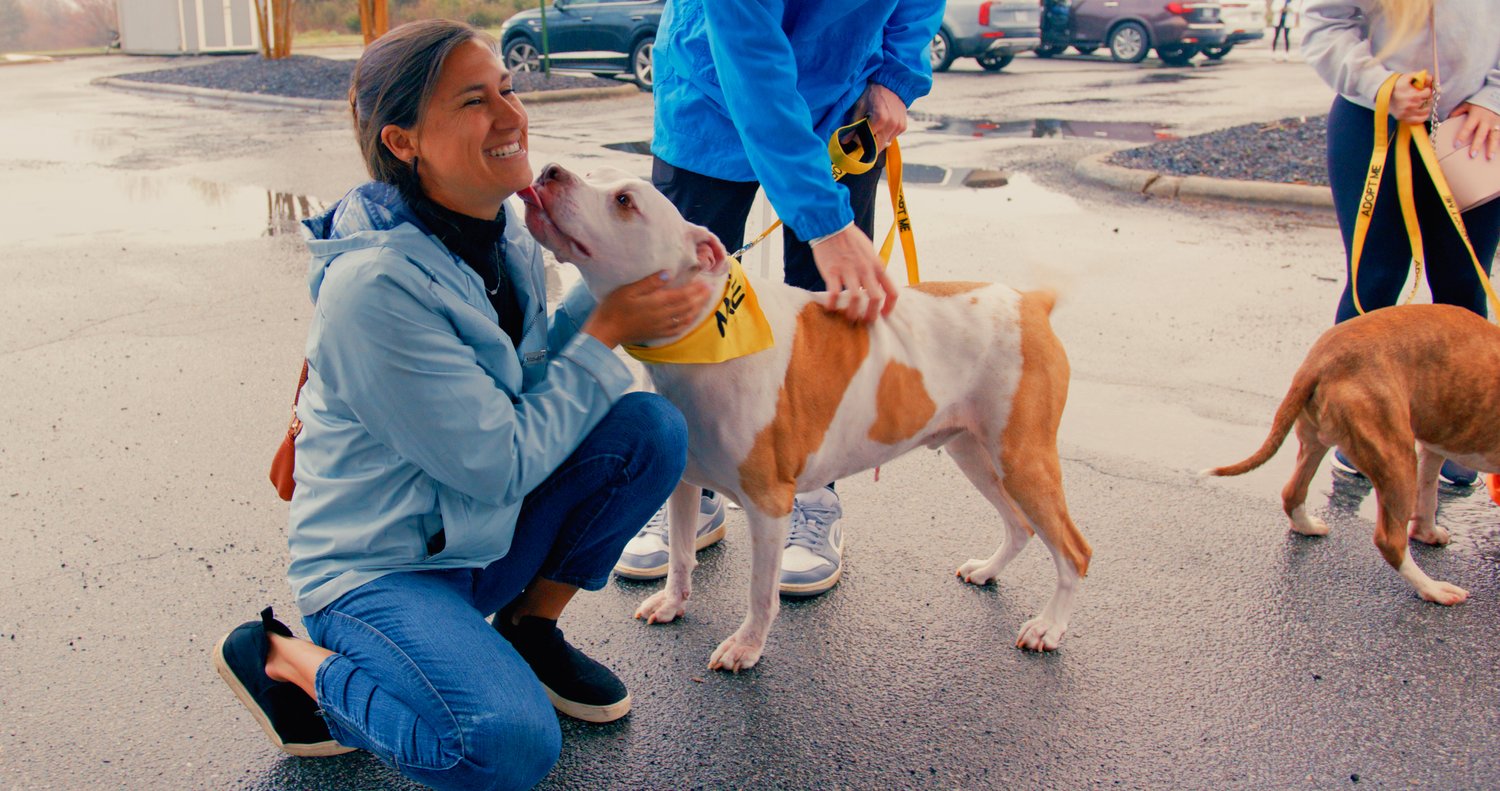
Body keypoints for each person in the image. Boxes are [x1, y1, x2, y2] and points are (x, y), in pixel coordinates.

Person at [212, 20, 712, 790]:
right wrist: (611, 326)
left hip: (476, 537)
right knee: (501, 746)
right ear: (404, 142)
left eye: (508, 90)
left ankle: (528, 626)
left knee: (648, 431)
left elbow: (531, 375)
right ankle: (285, 660)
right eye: (475, 101)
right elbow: (497, 462)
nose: (513, 117)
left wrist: (619, 287)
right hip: (380, 572)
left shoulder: (498, 229)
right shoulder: (373, 290)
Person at [612, 0, 944, 600]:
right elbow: (751, 56)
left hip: (843, 93)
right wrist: (823, 220)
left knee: (829, 318)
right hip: (714, 88)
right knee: (683, 304)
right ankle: (691, 481)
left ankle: (812, 493)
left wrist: (896, 74)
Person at [1303, 0, 1500, 486]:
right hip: (1373, 121)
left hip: (1472, 130)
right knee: (1373, 282)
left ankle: (1461, 429)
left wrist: (1493, 96)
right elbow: (1325, 24)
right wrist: (1380, 87)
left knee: (1464, 289)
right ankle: (1355, 425)